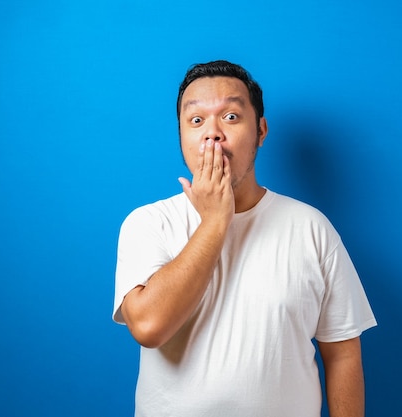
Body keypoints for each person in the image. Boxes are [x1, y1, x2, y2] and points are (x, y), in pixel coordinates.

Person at [113, 60, 377, 417]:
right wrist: (215, 221)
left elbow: (343, 352)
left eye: (231, 117)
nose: (213, 133)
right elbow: (148, 327)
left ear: (261, 131)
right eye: (196, 120)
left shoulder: (312, 228)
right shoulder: (148, 223)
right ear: (180, 134)